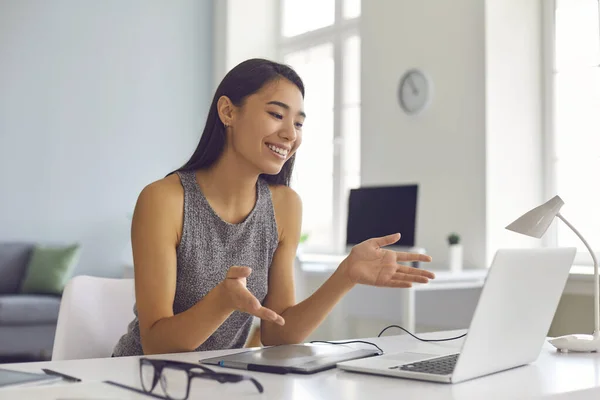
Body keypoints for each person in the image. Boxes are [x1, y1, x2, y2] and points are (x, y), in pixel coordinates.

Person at [112, 58, 435, 357]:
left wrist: (345, 275)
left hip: (216, 382)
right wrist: (221, 302)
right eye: (277, 115)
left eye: (298, 123)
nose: (289, 134)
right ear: (228, 112)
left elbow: (278, 333)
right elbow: (155, 344)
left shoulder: (285, 205)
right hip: (138, 379)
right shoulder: (164, 200)